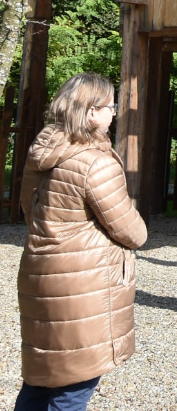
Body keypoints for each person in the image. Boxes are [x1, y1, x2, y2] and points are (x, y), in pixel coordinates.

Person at [16, 72, 147, 411]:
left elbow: (30, 211)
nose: (114, 113)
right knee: (74, 384)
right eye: (110, 106)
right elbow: (132, 232)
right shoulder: (96, 162)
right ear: (92, 112)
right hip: (82, 285)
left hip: (41, 273)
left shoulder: (40, 153)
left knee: (42, 377)